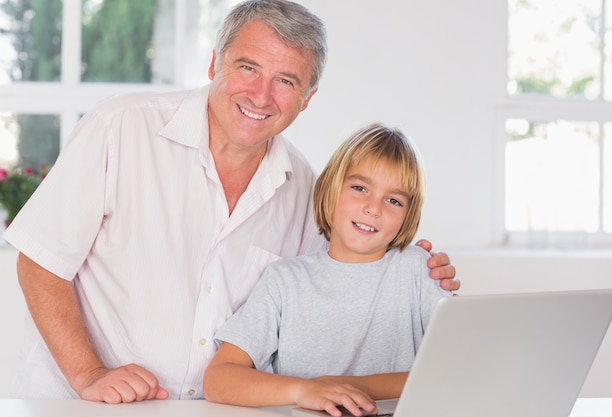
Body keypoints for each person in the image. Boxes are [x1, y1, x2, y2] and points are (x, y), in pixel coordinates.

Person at [3, 0, 458, 404]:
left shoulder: (304, 187)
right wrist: (90, 374)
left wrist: (402, 264)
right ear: (214, 63)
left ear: (307, 99)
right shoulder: (120, 127)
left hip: (215, 410)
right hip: (81, 403)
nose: (261, 95)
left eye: (285, 80)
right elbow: (41, 260)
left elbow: (331, 286)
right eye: (247, 68)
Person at [203, 123, 452, 417]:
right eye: (360, 188)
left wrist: (345, 386)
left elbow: (459, 368)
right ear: (331, 189)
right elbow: (218, 379)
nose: (374, 208)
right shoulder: (284, 280)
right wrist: (305, 390)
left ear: (408, 216)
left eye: (394, 200)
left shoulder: (417, 269)